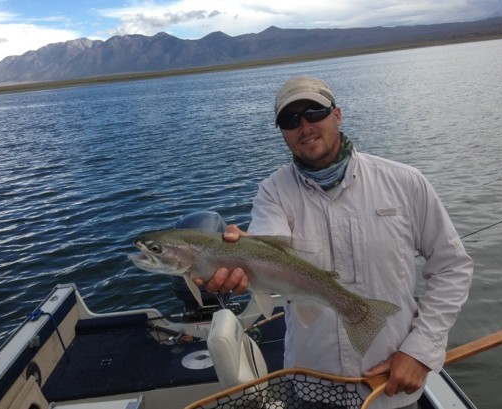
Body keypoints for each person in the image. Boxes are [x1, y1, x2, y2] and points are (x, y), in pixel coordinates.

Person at [197, 76, 473, 409]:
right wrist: (235, 258)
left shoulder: (405, 182)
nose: (305, 125)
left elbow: (452, 267)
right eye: (290, 119)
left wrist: (420, 351)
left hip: (388, 384)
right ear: (282, 131)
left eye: (315, 112)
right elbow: (264, 250)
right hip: (311, 383)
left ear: (337, 115)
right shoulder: (273, 193)